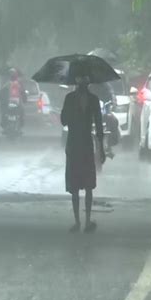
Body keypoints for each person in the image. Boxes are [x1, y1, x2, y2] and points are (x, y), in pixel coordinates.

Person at [61, 75, 105, 233]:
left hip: (73, 144)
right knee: (87, 185)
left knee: (74, 185)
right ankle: (86, 222)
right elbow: (99, 126)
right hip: (86, 144)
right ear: (89, 83)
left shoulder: (69, 98)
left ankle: (77, 221)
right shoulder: (93, 99)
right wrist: (101, 149)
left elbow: (63, 120)